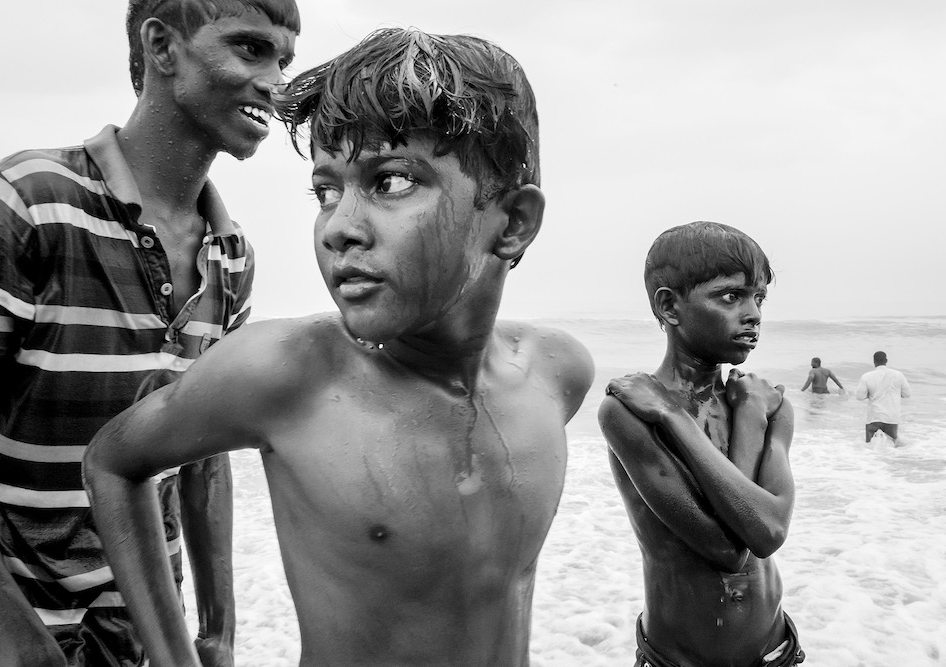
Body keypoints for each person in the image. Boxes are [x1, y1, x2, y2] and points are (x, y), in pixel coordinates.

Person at [83, 27, 595, 666]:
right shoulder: (288, 376)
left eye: (392, 182)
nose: (340, 228)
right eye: (326, 191)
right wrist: (191, 646)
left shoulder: (555, 374)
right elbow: (114, 461)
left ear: (513, 222)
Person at [0, 1, 300, 664]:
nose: (276, 81)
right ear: (162, 47)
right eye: (251, 49)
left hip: (143, 643)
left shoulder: (232, 255)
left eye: (285, 58)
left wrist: (217, 631)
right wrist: (19, 646)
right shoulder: (29, 203)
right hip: (6, 640)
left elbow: (202, 449)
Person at [599, 221, 805, 667]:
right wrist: (674, 413)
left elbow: (767, 530)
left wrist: (694, 418)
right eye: (731, 296)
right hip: (678, 659)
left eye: (759, 297)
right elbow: (727, 551)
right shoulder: (628, 412)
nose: (753, 313)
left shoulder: (765, 405)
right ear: (670, 305)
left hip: (776, 651)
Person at [855, 350, 911, 443]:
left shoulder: (867, 376)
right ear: (886, 361)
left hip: (874, 417)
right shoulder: (898, 375)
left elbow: (860, 397)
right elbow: (907, 394)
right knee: (892, 447)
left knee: (869, 447)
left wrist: (869, 394)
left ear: (874, 361)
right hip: (891, 417)